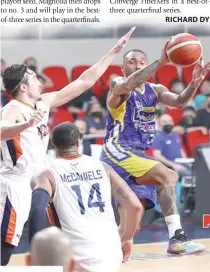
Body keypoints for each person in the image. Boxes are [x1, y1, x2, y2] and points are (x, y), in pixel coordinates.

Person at [0, 26, 135, 266]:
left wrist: (113, 52)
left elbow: (84, 82)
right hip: (16, 183)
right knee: (5, 248)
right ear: (22, 86)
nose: (39, 81)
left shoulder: (43, 102)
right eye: (33, 78)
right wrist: (24, 126)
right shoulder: (13, 109)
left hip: (41, 177)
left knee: (59, 231)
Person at [100, 44, 210, 254]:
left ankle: (103, 249)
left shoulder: (155, 90)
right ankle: (177, 239)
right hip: (118, 150)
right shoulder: (118, 85)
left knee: (133, 217)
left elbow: (179, 102)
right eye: (132, 62)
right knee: (169, 175)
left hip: (137, 155)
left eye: (141, 62)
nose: (137, 65)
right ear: (123, 68)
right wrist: (161, 61)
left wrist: (195, 83)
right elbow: (132, 82)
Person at [28, 122, 142, 272]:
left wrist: (36, 254)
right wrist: (127, 236)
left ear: (52, 142)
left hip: (75, 259)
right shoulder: (103, 167)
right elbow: (136, 206)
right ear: (77, 142)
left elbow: (37, 209)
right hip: (110, 255)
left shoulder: (46, 174)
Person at [152, 114, 191, 179]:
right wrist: (173, 165)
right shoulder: (158, 137)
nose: (168, 123)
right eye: (164, 122)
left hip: (181, 163)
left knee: (199, 171)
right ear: (159, 124)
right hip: (169, 166)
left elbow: (181, 150)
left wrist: (187, 162)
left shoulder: (175, 135)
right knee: (190, 175)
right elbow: (157, 155)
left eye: (170, 121)